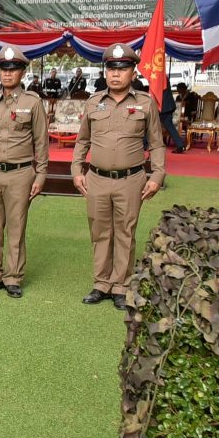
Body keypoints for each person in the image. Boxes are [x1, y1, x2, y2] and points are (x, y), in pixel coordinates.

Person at [72, 43, 165, 311]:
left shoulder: (145, 103)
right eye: (111, 68)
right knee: (100, 231)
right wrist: (76, 170)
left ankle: (121, 286)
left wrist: (157, 175)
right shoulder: (93, 102)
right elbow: (82, 140)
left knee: (125, 232)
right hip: (97, 178)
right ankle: (101, 283)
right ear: (106, 71)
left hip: (131, 179)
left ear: (133, 72)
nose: (115, 74)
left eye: (122, 69)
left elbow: (157, 144)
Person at [0, 46, 49, 299]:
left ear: (22, 72)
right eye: (4, 68)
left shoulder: (32, 102)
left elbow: (41, 142)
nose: (7, 73)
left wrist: (40, 175)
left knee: (16, 227)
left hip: (20, 174)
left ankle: (13, 277)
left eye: (13, 69)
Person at [159, 78, 186, 153]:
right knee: (169, 126)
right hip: (167, 106)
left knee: (150, 124)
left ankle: (145, 144)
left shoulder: (159, 77)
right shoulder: (162, 76)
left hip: (164, 106)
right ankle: (180, 145)